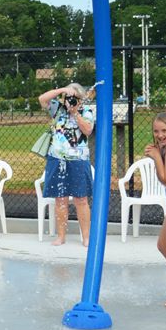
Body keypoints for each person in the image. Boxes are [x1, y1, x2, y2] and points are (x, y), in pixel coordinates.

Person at [37, 82, 95, 246]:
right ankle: (61, 236)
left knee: (81, 199)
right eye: (68, 98)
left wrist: (75, 113)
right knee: (60, 199)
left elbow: (88, 130)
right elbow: (42, 99)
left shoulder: (86, 111)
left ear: (81, 99)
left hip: (78, 160)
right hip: (57, 159)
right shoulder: (57, 109)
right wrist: (63, 90)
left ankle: (86, 237)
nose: (70, 100)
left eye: (74, 98)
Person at [143, 111, 166, 308]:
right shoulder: (165, 149)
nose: (160, 135)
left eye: (164, 130)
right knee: (164, 246)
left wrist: (155, 157)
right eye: (156, 131)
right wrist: (157, 156)